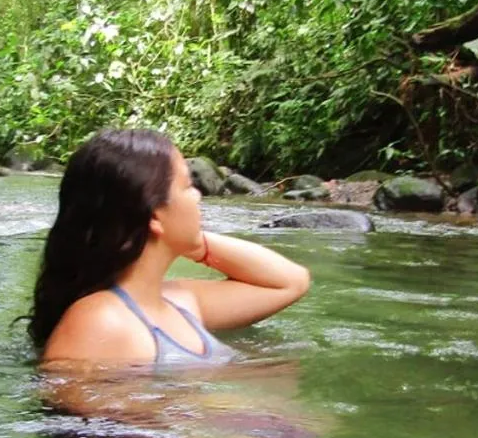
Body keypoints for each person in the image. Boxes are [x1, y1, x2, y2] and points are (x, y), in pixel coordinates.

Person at [27, 128, 310, 367]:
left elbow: (290, 282)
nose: (198, 196)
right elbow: (85, 428)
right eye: (188, 186)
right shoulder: (99, 322)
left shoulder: (179, 300)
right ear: (154, 215)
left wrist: (195, 243)